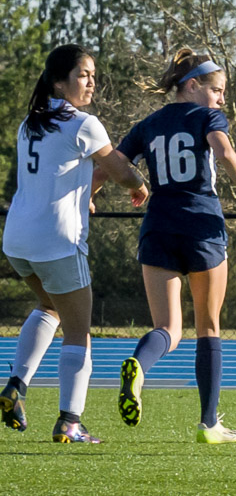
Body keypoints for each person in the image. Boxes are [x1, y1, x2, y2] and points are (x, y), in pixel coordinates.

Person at [106, 48, 236, 443]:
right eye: (218, 90)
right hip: (201, 226)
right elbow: (224, 151)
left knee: (167, 328)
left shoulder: (148, 123)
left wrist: (96, 194)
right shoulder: (207, 116)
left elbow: (111, 163)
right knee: (208, 327)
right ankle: (209, 423)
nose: (222, 99)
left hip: (158, 227)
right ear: (193, 85)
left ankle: (139, 366)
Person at [1, 44, 148, 443]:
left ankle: (16, 384)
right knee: (79, 332)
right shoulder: (83, 123)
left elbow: (55, 172)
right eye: (84, 75)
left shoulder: (29, 122)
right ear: (58, 81)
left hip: (17, 240)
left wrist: (83, 195)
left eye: (93, 76)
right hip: (58, 241)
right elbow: (118, 169)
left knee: (50, 306)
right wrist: (139, 185)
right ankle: (70, 421)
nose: (91, 83)